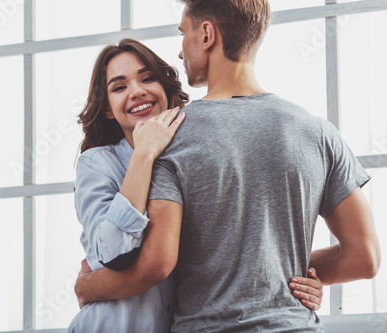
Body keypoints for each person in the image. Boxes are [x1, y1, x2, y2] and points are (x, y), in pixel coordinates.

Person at [69, 38, 324, 332]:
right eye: (119, 86)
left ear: (165, 89)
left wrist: (302, 278)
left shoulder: (195, 155)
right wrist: (144, 154)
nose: (137, 91)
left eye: (147, 78)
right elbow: (113, 254)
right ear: (108, 110)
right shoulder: (98, 163)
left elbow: (225, 250)